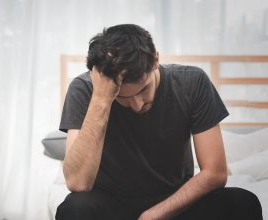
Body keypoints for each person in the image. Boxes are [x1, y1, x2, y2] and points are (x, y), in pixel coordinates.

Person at [56, 24, 262, 220]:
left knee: (242, 202)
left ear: (155, 60)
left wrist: (156, 214)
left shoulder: (192, 82)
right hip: (110, 204)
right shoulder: (84, 89)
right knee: (75, 208)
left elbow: (215, 173)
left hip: (174, 202)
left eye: (143, 89)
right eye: (122, 97)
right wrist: (102, 98)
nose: (137, 105)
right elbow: (77, 183)